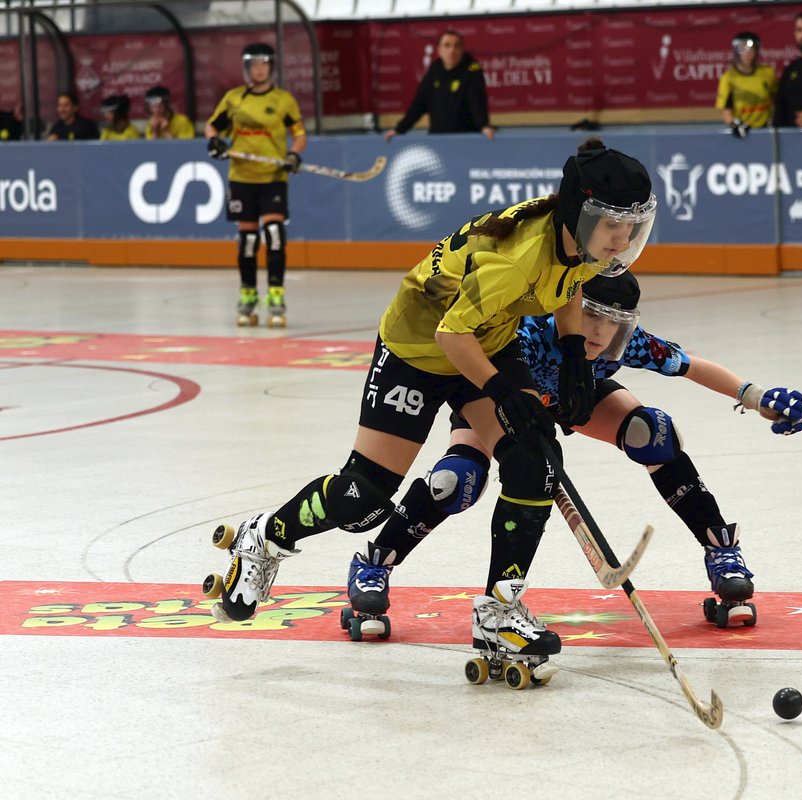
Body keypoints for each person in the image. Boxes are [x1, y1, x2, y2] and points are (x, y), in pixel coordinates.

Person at [205, 138, 657, 684]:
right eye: (615, 224)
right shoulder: (515, 261)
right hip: (420, 347)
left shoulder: (581, 244)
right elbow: (450, 333)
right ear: (581, 213)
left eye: (634, 226)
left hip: (485, 337)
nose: (625, 238)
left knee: (534, 458)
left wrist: (570, 355)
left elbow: (566, 286)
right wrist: (505, 392)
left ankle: (499, 613)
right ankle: (266, 537)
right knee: (363, 498)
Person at [342, 270, 802, 635]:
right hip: (500, 399)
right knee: (457, 483)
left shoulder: (619, 341)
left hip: (572, 397)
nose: (601, 332)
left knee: (655, 434)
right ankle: (373, 563)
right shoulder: (528, 330)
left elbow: (691, 365)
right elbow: (467, 366)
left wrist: (757, 397)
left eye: (614, 323)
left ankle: (722, 553)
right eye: (591, 315)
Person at [205, 43, 307, 328]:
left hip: (272, 177)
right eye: (253, 64)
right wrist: (214, 141)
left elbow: (299, 134)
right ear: (246, 68)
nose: (259, 69)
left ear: (271, 67)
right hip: (242, 177)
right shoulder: (234, 98)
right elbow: (212, 126)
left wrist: (294, 154)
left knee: (274, 234)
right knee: (248, 240)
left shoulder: (283, 100)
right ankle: (248, 294)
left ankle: (276, 295)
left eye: (264, 64)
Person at [384, 30, 496, 141]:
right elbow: (419, 103)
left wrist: (484, 126)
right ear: (439, 50)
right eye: (447, 46)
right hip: (437, 139)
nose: (452, 50)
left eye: (456, 46)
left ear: (461, 50)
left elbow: (476, 101)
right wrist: (399, 129)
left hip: (465, 138)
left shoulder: (472, 70)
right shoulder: (435, 70)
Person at [715, 31, 777, 138]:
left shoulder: (768, 73)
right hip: (742, 132)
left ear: (757, 51)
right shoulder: (728, 78)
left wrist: (774, 120)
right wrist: (735, 125)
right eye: (742, 49)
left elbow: (776, 100)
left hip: (765, 131)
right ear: (736, 51)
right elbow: (726, 112)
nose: (747, 53)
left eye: (751, 49)